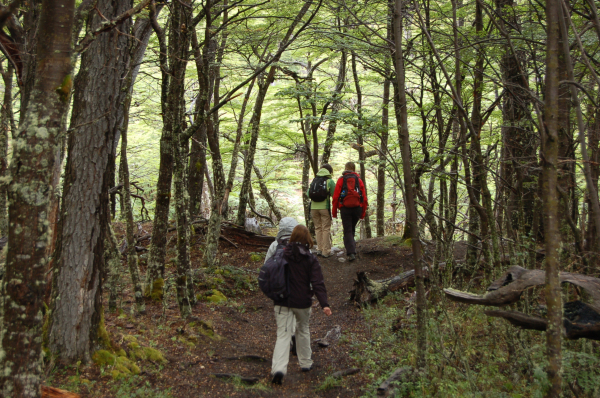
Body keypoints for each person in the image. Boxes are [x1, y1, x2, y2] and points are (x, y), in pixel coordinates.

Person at [270, 225, 332, 385]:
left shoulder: (281, 254)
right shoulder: (310, 258)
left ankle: (278, 369)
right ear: (308, 239)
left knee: (283, 335)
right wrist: (324, 303)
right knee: (303, 330)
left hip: (282, 301)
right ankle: (305, 363)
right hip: (302, 302)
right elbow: (317, 282)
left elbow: (271, 276)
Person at [332, 162, 368, 261]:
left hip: (345, 208)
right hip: (357, 208)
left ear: (345, 168)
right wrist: (363, 213)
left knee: (347, 230)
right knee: (351, 229)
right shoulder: (359, 180)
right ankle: (351, 248)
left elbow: (335, 197)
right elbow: (364, 198)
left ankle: (351, 252)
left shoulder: (341, 180)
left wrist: (334, 212)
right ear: (354, 169)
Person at [306, 164, 336, 258]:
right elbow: (334, 194)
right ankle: (326, 251)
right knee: (326, 228)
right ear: (330, 171)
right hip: (324, 207)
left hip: (313, 208)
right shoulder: (329, 181)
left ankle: (319, 249)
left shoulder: (315, 180)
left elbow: (308, 193)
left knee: (318, 228)